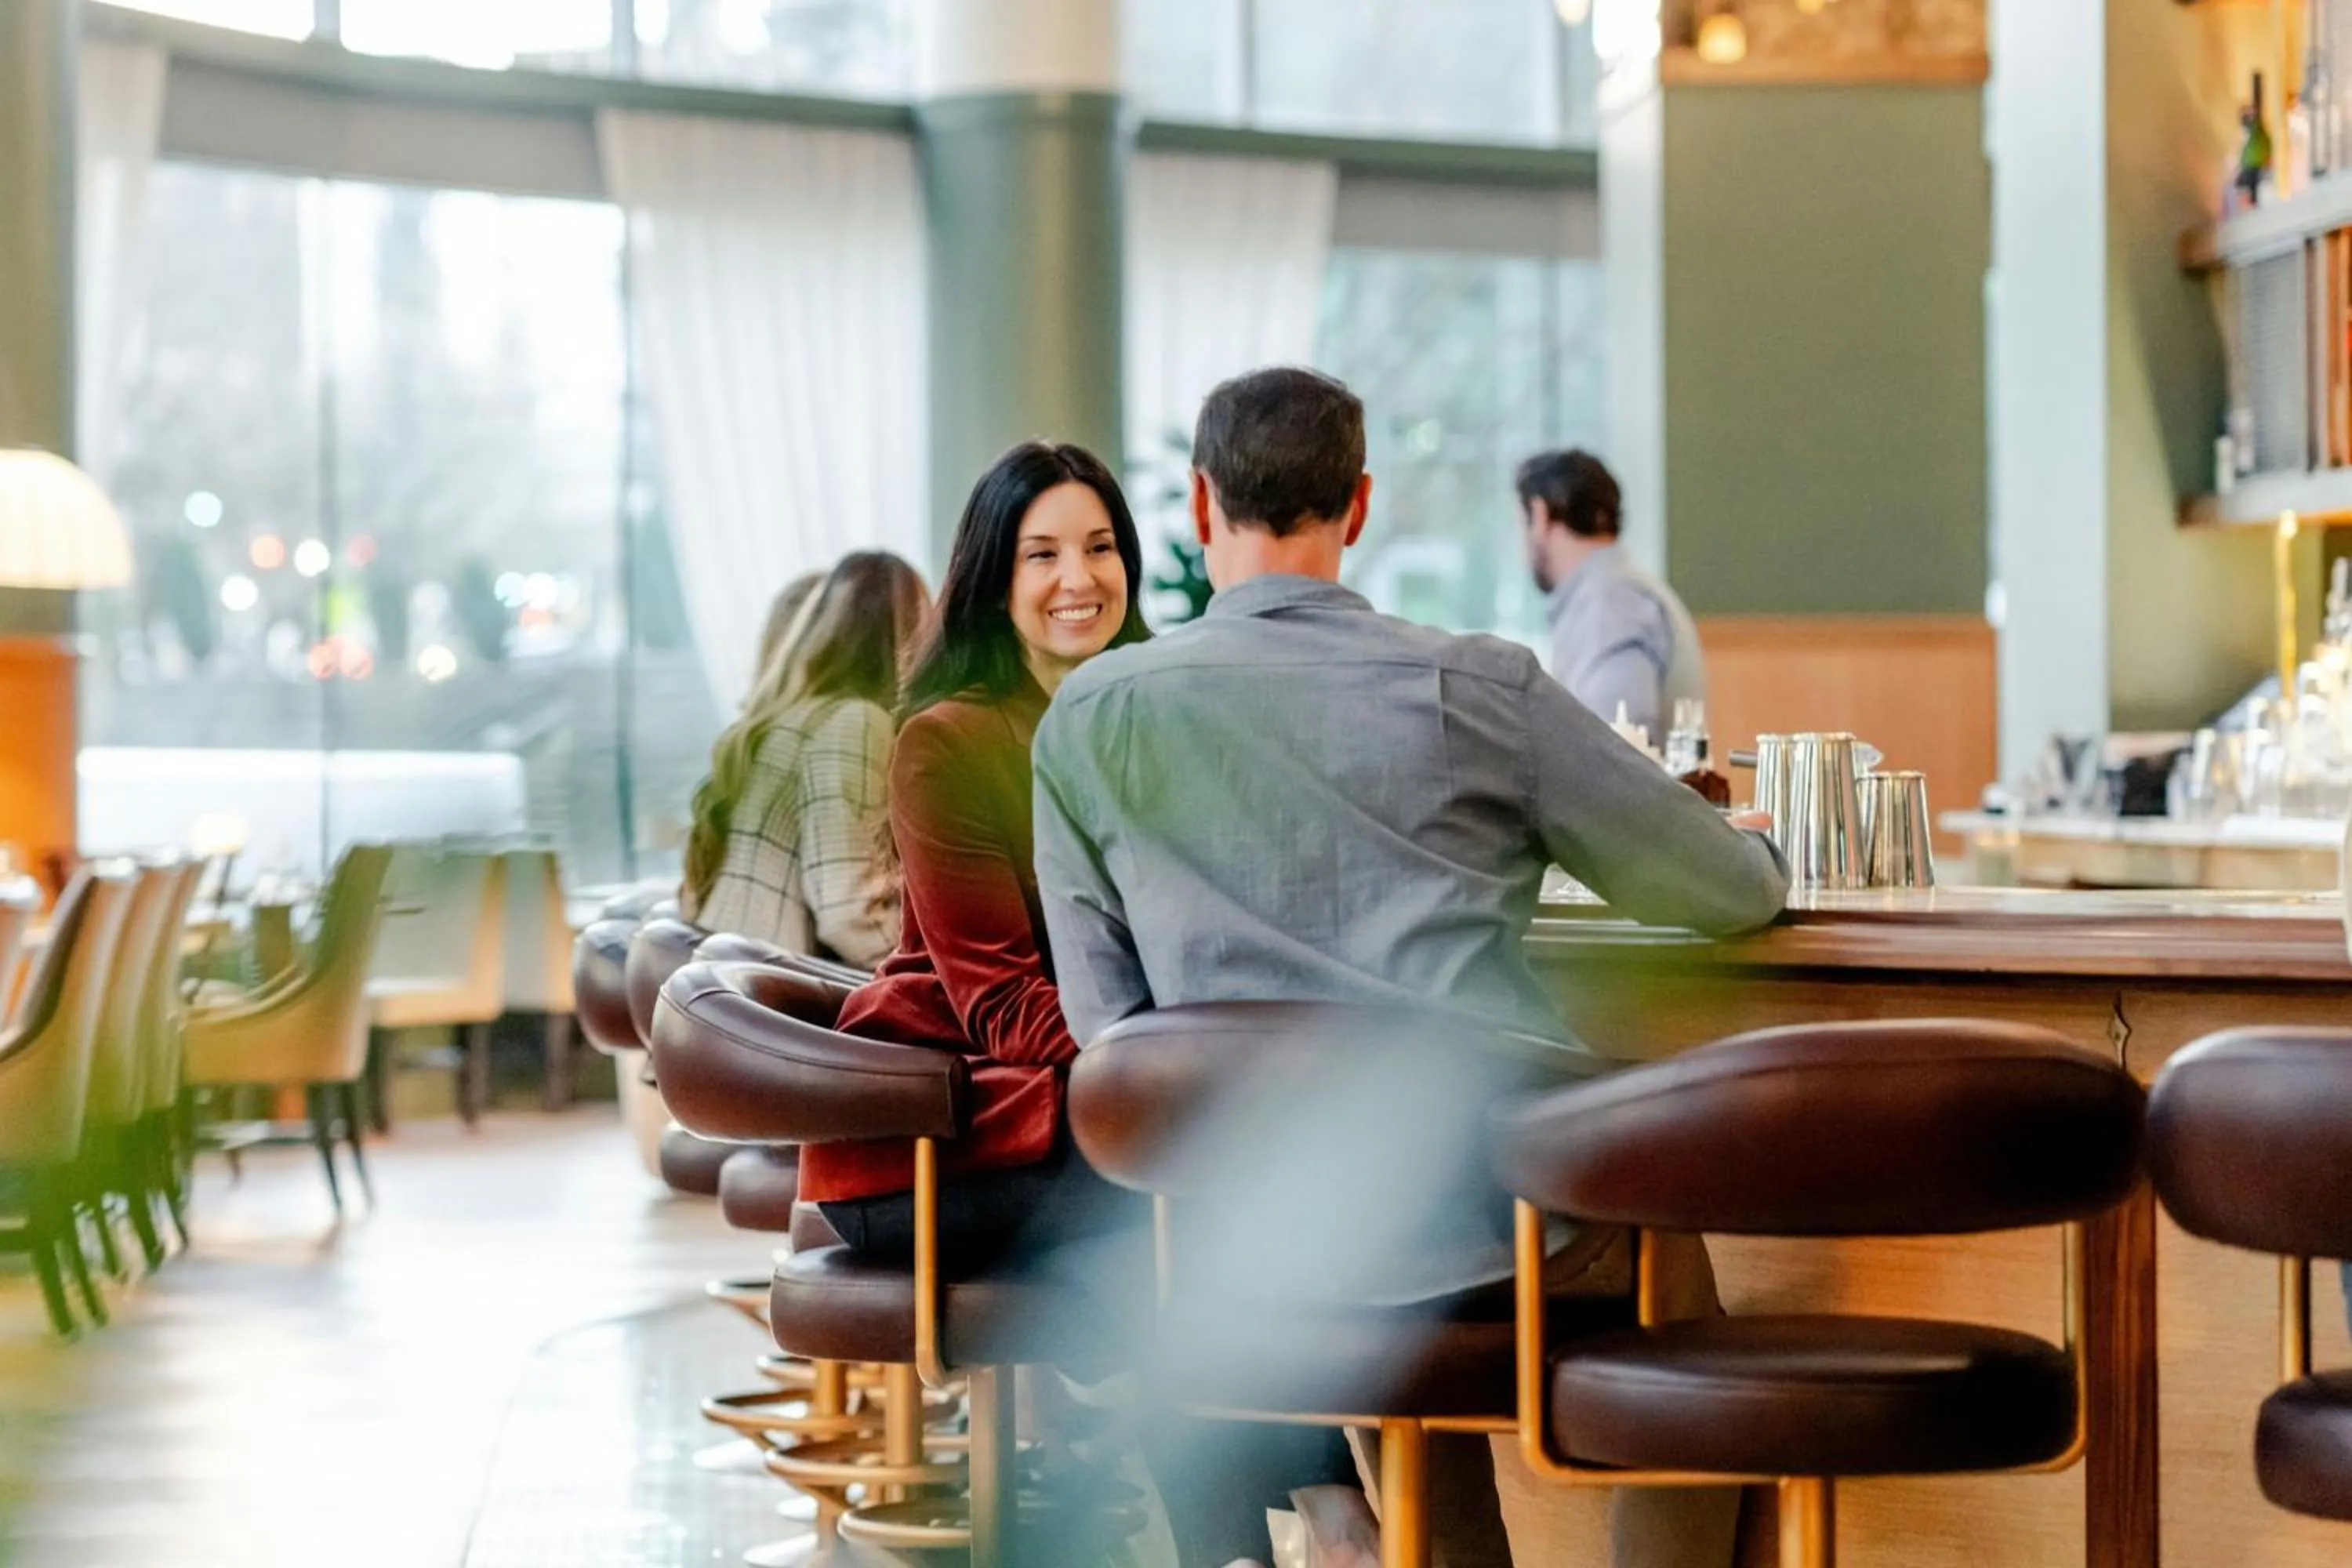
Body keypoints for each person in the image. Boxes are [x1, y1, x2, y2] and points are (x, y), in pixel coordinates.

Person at [1032, 367, 1788, 1567]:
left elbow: (1108, 1031)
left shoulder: (1088, 718)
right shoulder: (1478, 686)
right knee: (1665, 1276)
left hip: (1245, 1231)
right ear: (1362, 502)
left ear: (1197, 501)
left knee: (1411, 1363)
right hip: (1479, 1225)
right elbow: (1727, 894)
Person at [808, 443, 1153, 1269]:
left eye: (1101, 547)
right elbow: (1002, 1006)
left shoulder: (1148, 723)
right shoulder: (945, 743)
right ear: (997, 581)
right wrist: (1187, 1056)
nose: (1080, 578)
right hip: (947, 1136)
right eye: (1043, 554)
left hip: (1101, 1096)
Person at [679, 551, 927, 967]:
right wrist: (935, 973)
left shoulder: (790, 717)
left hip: (733, 992)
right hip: (778, 1003)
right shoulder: (856, 722)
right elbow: (850, 913)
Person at [1518, 448, 1706, 742]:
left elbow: (1614, 752)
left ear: (1540, 515)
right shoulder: (1620, 594)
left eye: (1521, 524)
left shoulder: (1610, 604)